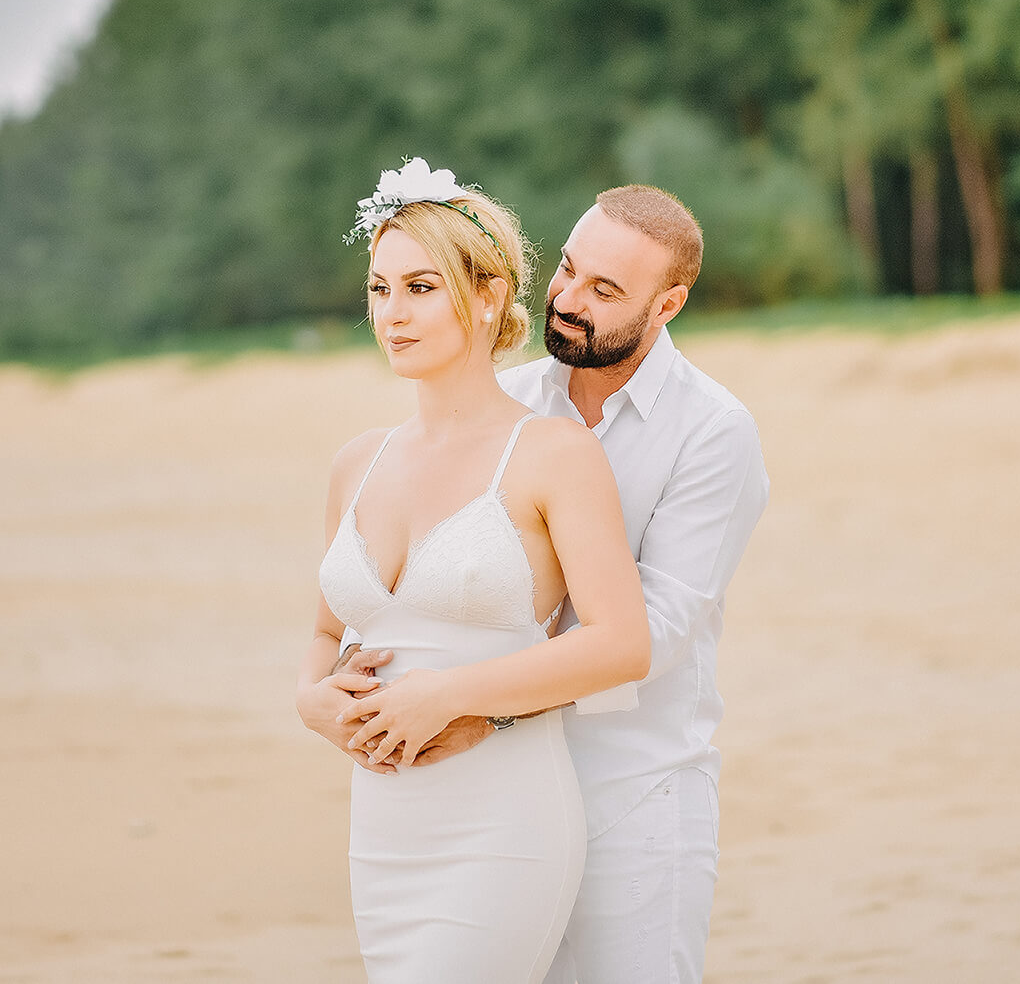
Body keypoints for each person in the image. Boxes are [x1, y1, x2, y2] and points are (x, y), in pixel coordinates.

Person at [329, 183, 770, 984]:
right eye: (567, 270)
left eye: (605, 291)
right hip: (483, 782)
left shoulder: (713, 433)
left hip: (635, 788)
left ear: (668, 304)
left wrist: (475, 704)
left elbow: (657, 631)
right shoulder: (514, 405)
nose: (566, 299)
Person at [296, 160, 651, 983]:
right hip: (384, 827)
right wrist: (310, 699)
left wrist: (446, 695)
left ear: (487, 295)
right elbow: (324, 631)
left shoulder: (554, 455)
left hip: (502, 818)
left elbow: (621, 645)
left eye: (420, 287)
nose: (392, 314)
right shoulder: (356, 463)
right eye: (380, 289)